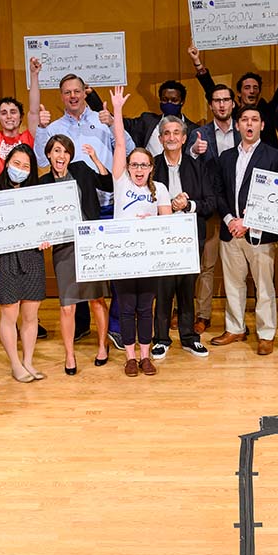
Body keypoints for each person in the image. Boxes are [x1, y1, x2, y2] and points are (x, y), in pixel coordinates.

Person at [211, 105, 278, 356]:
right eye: (244, 119)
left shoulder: (274, 156)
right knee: (233, 284)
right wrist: (231, 220)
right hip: (230, 230)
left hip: (260, 232)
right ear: (238, 125)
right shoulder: (226, 157)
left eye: (254, 119)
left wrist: (249, 221)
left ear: (262, 125)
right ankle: (235, 328)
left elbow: (275, 197)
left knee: (264, 285)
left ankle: (266, 333)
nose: (249, 123)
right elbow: (219, 192)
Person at [109, 87, 172, 377]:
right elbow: (120, 142)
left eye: (143, 165)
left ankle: (146, 356)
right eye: (134, 164)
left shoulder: (159, 189)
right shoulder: (121, 182)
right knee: (126, 307)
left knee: (145, 308)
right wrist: (118, 111)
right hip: (123, 258)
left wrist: (154, 224)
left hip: (148, 260)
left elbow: (168, 224)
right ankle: (130, 357)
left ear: (150, 168)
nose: (138, 169)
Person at [38, 134, 112, 375]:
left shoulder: (81, 169)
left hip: (89, 242)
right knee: (67, 305)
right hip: (63, 248)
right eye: (57, 151)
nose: (62, 156)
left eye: (66, 151)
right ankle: (69, 355)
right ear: (48, 154)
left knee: (97, 299)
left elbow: (107, 184)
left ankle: (103, 345)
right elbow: (38, 218)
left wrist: (95, 159)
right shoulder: (43, 182)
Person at [0, 144, 50, 383]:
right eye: (16, 163)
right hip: (5, 258)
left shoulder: (36, 194)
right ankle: (15, 364)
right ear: (7, 163)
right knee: (9, 314)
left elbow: (46, 224)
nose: (19, 169)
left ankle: (28, 361)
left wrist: (46, 238)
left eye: (25, 166)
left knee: (31, 315)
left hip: (32, 257)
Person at [151, 116, 216, 360]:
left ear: (184, 138)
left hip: (190, 236)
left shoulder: (198, 166)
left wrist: (188, 205)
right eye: (166, 133)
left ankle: (189, 338)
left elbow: (211, 202)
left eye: (176, 133)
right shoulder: (152, 166)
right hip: (160, 237)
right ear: (160, 139)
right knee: (163, 288)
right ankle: (161, 339)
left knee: (187, 288)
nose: (171, 137)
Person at [188, 83, 240, 335]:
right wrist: (194, 153)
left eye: (226, 100)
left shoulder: (243, 130)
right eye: (216, 100)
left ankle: (239, 319)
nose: (221, 104)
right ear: (211, 105)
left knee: (239, 268)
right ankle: (203, 315)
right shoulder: (199, 134)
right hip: (210, 209)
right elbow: (187, 166)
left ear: (233, 103)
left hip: (235, 208)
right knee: (207, 265)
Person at [188, 39, 278, 149]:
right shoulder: (232, 112)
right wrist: (197, 63)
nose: (252, 91)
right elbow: (212, 91)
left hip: (267, 164)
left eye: (255, 88)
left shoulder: (268, 111)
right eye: (247, 88)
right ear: (239, 93)